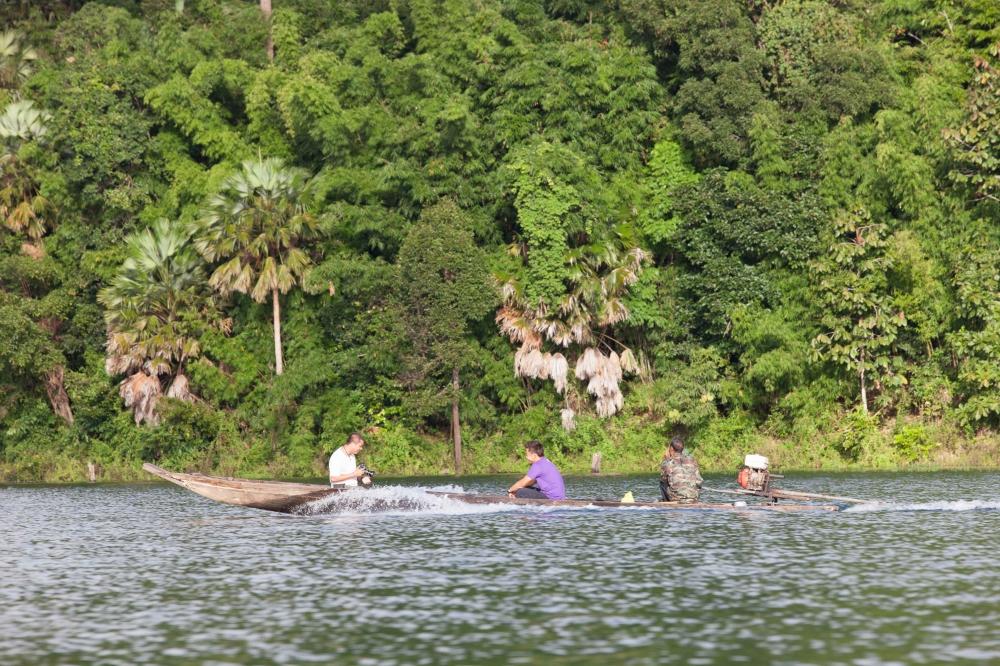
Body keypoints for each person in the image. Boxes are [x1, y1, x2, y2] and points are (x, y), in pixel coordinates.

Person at [659, 436, 703, 503]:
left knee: (662, 482)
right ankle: (691, 498)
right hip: (693, 498)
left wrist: (666, 460)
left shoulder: (668, 462)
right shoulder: (692, 461)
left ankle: (666, 501)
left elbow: (664, 480)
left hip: (676, 498)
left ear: (671, 448)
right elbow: (699, 481)